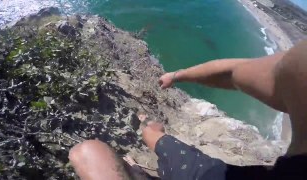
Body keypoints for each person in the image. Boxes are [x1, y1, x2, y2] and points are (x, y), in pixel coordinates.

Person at [68, 40, 307, 180]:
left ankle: (145, 135)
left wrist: (175, 76)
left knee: (87, 152)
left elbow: (233, 73)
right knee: (152, 135)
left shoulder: (301, 63)